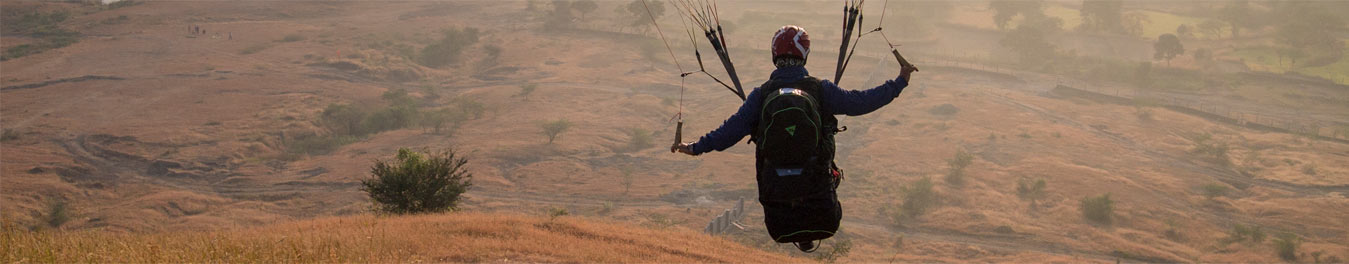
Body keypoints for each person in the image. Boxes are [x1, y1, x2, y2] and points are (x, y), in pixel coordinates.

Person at [671, 25, 916, 252]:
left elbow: (728, 133)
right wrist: (900, 81)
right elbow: (862, 102)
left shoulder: (761, 95)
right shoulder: (820, 90)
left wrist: (694, 147)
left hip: (777, 209)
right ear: (805, 55)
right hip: (819, 197)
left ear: (774, 55)